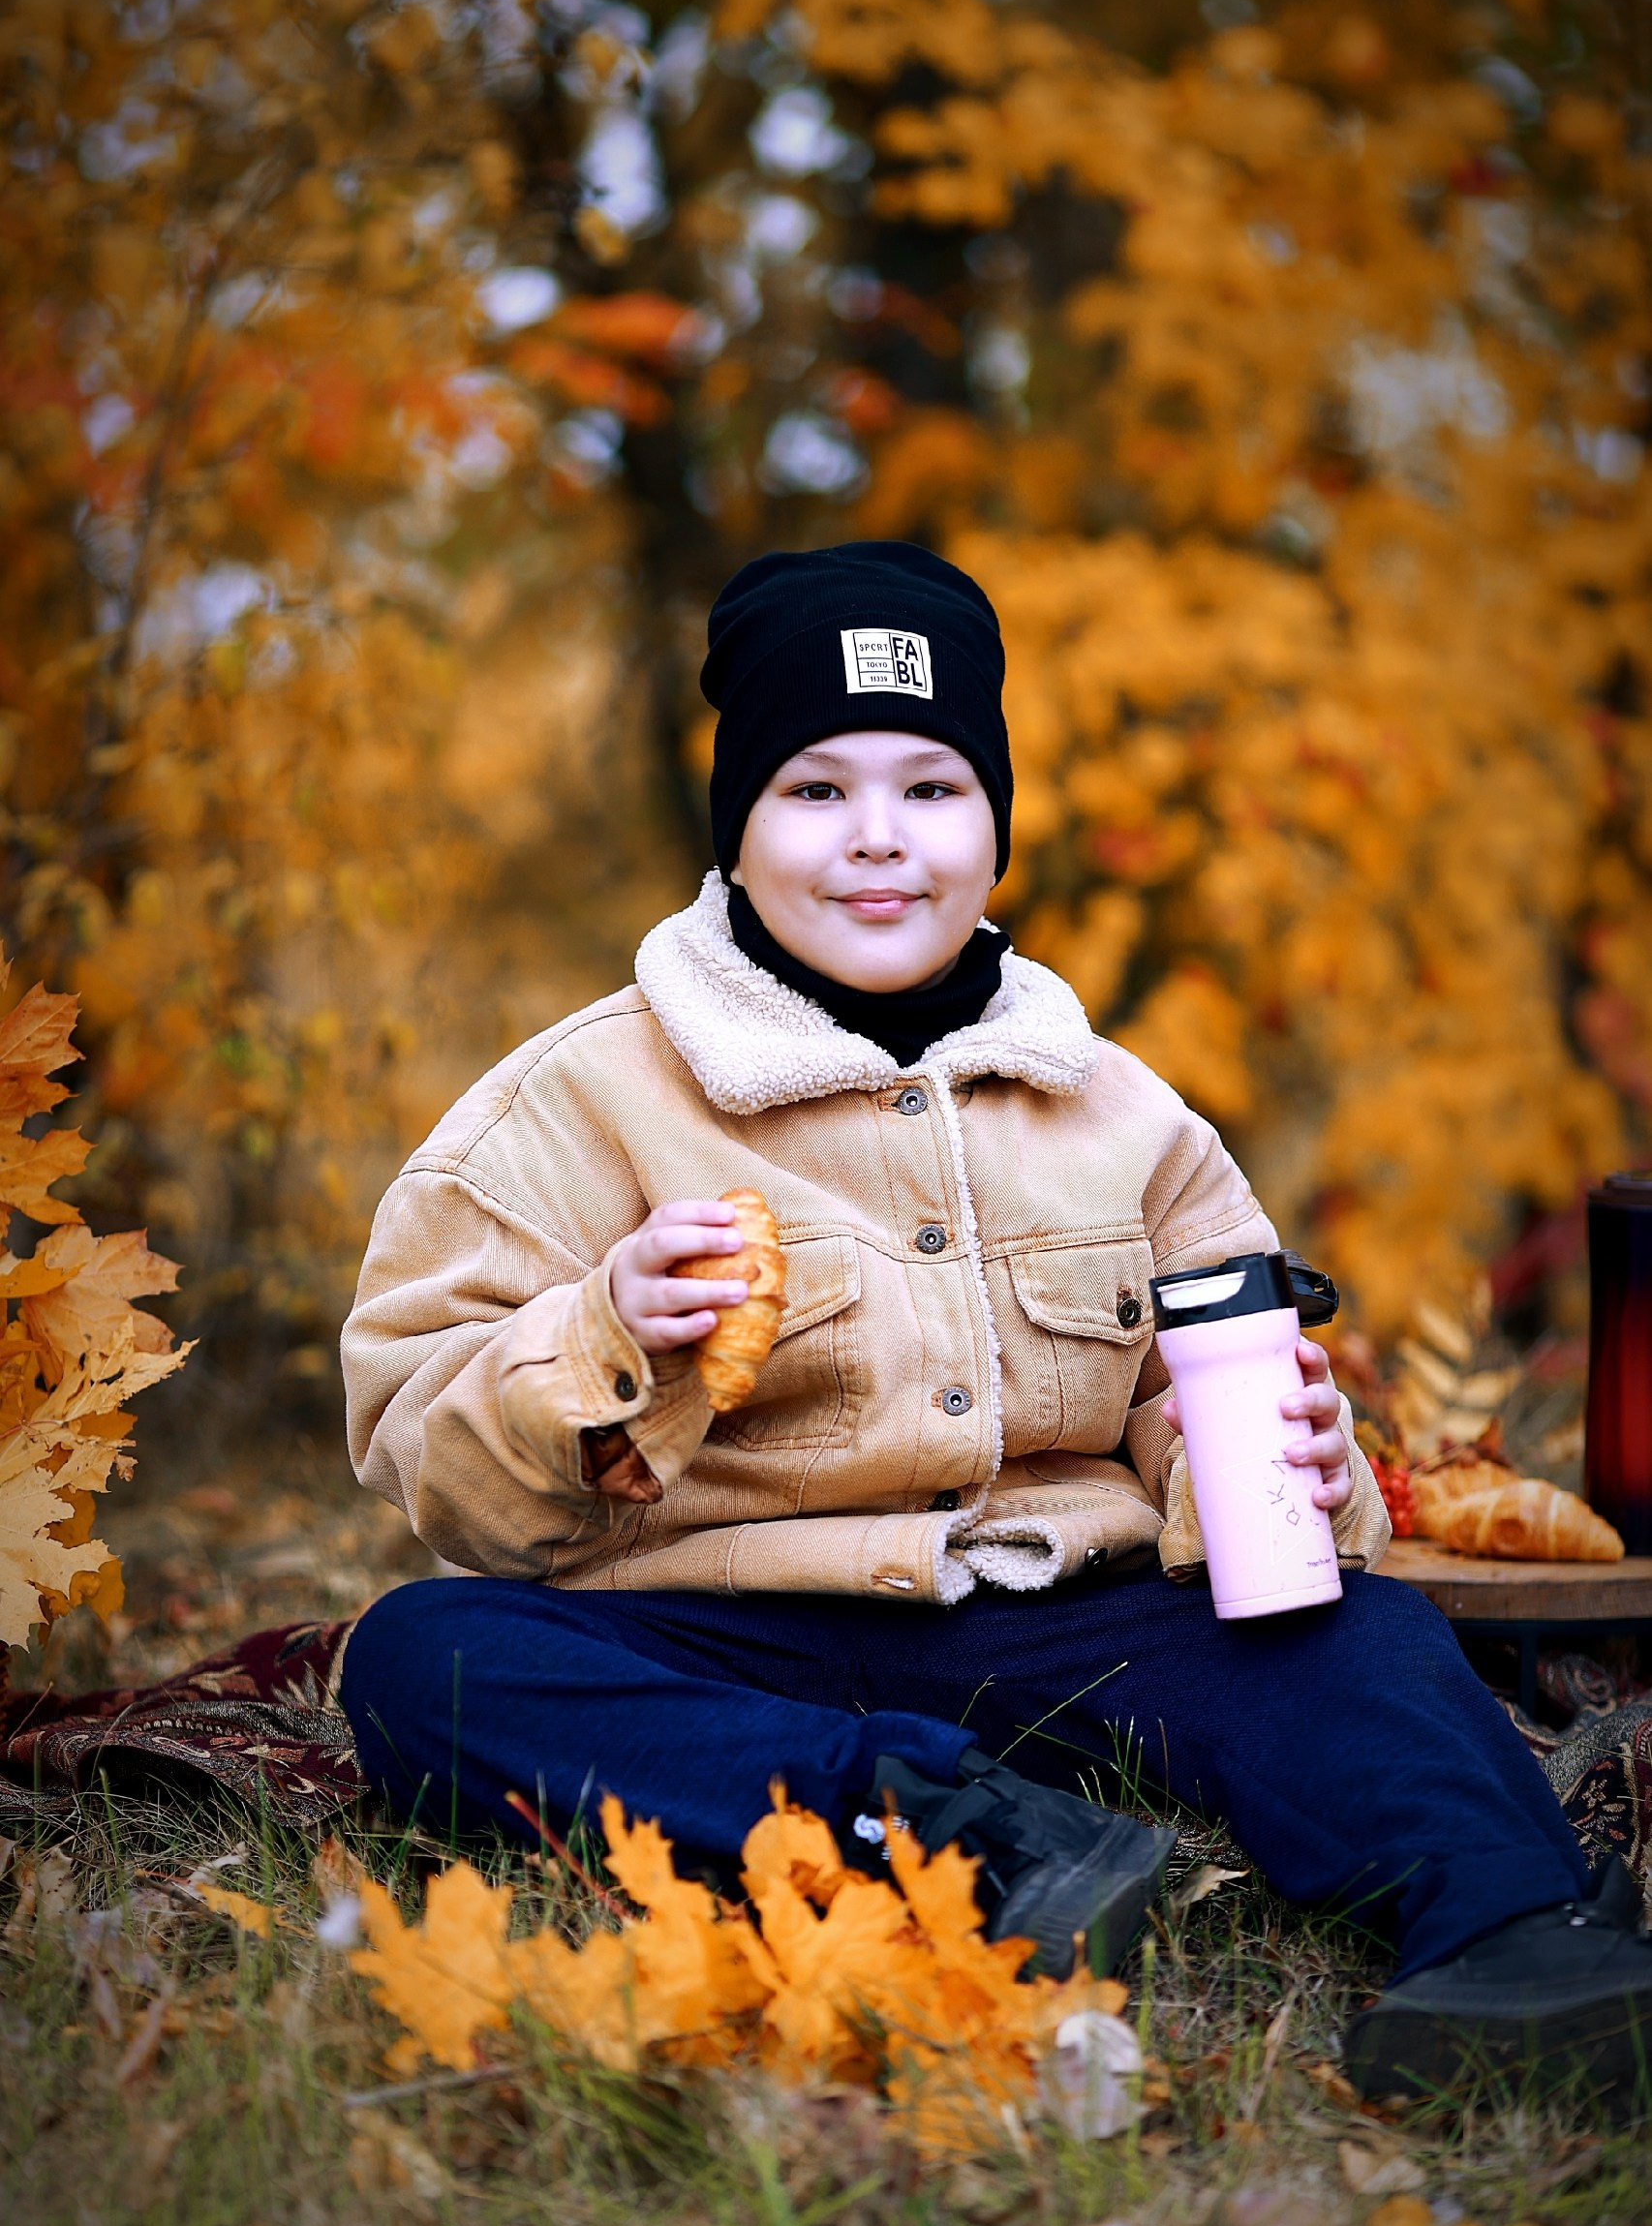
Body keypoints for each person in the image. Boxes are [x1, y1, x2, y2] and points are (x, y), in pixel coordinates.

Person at [340, 541, 1652, 2103]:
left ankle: (1517, 1940)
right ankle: (953, 1832)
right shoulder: (573, 1104)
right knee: (427, 1659)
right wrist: (604, 1330)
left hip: (1065, 1623)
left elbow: (1197, 1394)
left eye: (933, 788)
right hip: (720, 1625)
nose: (878, 841)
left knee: (1355, 1635)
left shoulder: (1122, 1115)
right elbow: (433, 1462)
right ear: (737, 830)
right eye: (814, 791)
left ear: (996, 826)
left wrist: (1280, 1453)